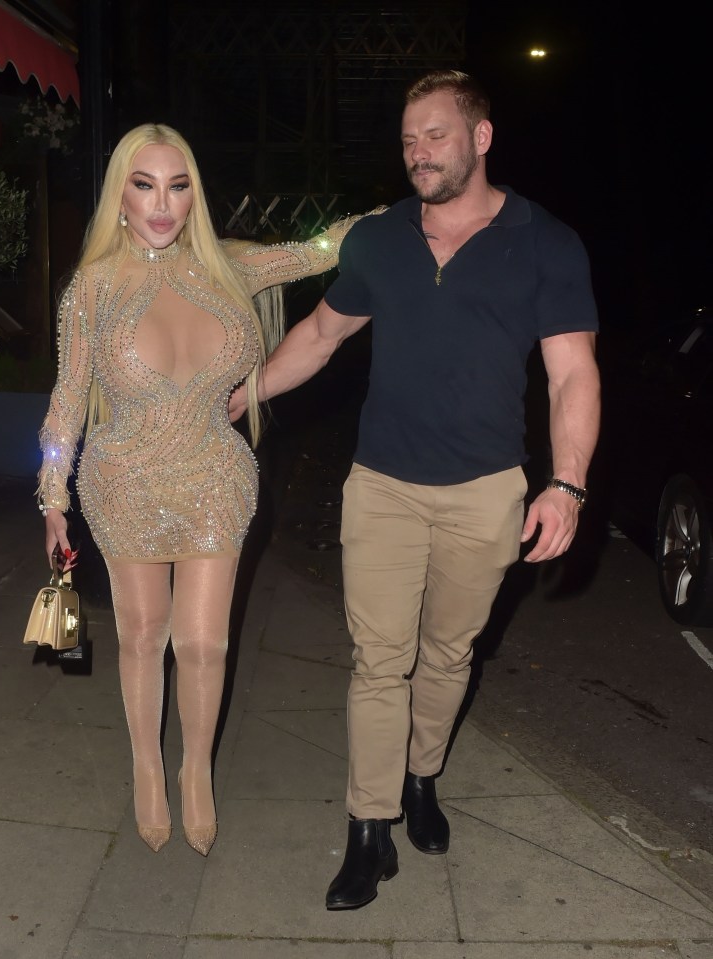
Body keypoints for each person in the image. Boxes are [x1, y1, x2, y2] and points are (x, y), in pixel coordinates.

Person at [229, 70, 600, 908]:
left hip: (487, 491)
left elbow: (572, 373)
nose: (417, 152)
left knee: (448, 654)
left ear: (480, 137)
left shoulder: (546, 242)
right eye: (407, 138)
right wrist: (240, 392)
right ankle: (370, 828)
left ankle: (421, 775)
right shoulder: (379, 239)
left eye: (434, 134)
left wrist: (566, 483)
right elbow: (321, 336)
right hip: (383, 486)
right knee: (378, 660)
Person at [36, 123, 368, 857]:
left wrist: (410, 212)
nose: (163, 203)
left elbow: (321, 249)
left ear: (195, 195)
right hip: (123, 478)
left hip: (216, 475)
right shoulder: (92, 288)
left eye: (178, 185)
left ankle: (195, 771)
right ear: (119, 195)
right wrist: (52, 492)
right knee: (143, 636)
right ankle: (147, 768)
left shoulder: (231, 268)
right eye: (145, 184)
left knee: (205, 640)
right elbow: (67, 395)